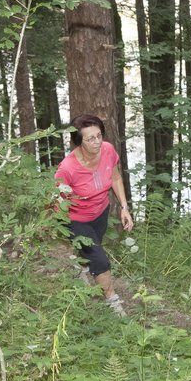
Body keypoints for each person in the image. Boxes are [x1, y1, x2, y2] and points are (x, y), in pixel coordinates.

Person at [54, 114, 134, 316]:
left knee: (90, 251)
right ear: (79, 141)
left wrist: (124, 207)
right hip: (76, 219)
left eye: (99, 135)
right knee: (99, 259)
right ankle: (112, 300)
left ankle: (81, 267)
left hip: (100, 212)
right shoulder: (68, 168)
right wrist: (60, 225)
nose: (97, 142)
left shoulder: (107, 150)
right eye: (90, 139)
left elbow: (115, 177)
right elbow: (57, 201)